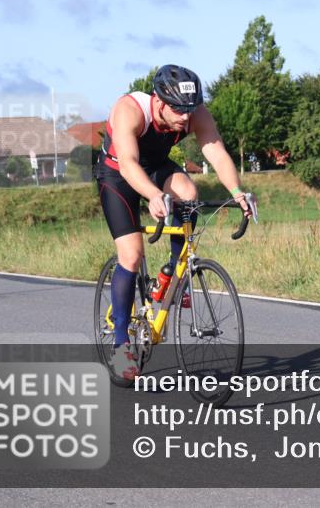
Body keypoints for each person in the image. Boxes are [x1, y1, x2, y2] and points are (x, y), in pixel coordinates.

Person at [95, 65, 255, 380]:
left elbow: (218, 154)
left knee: (188, 192)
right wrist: (153, 195)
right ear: (159, 101)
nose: (185, 117)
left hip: (155, 166)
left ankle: (170, 275)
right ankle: (120, 345)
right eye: (178, 110)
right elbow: (127, 164)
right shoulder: (130, 109)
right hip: (118, 173)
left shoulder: (196, 113)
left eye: (189, 110)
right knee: (131, 255)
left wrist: (237, 192)